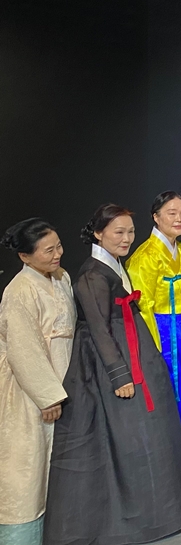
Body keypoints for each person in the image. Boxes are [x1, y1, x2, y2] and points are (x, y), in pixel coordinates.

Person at [44, 205, 181, 545]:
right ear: (98, 233)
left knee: (146, 432)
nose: (127, 238)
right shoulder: (91, 275)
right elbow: (99, 329)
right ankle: (129, 518)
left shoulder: (111, 265)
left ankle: (161, 510)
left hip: (133, 349)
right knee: (123, 438)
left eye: (130, 231)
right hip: (109, 363)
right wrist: (119, 375)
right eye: (118, 232)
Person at [126, 191, 181, 506]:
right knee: (178, 404)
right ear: (155, 216)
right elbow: (144, 309)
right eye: (171, 213)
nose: (179, 219)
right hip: (165, 335)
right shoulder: (144, 257)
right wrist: (155, 353)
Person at [0, 220, 75, 545]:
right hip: (30, 391)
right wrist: (47, 397)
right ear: (24, 256)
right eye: (49, 250)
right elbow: (24, 349)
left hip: (63, 380)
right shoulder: (18, 291)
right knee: (27, 469)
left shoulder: (61, 277)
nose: (58, 254)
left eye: (58, 246)